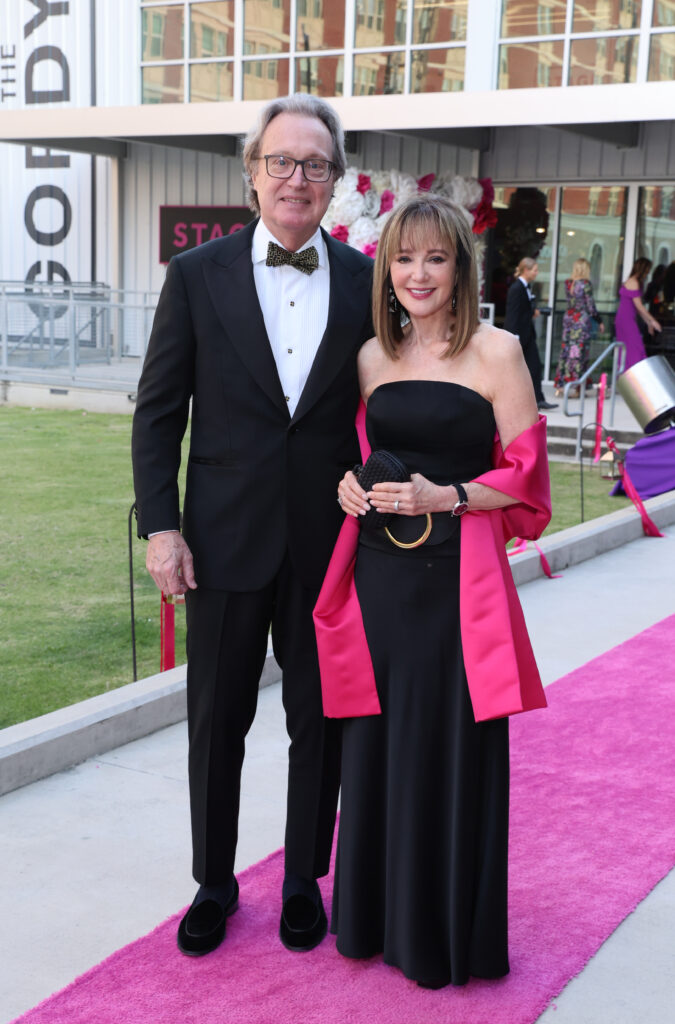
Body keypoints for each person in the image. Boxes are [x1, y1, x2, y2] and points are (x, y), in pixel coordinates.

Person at [131, 94, 374, 957]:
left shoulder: (364, 281)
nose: (296, 178)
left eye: (314, 163)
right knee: (216, 723)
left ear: (335, 181)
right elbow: (158, 413)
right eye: (281, 161)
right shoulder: (197, 276)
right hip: (222, 544)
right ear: (252, 173)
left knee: (320, 722)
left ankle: (306, 878)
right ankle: (212, 882)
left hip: (330, 545)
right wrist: (162, 528)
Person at [313, 195, 551, 988]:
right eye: (403, 259)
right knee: (376, 747)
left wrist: (443, 495)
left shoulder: (497, 352)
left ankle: (442, 932)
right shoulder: (370, 357)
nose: (418, 274)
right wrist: (352, 487)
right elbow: (368, 458)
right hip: (380, 583)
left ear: (459, 266)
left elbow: (524, 483)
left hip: (456, 586)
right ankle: (375, 918)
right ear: (386, 269)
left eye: (435, 259)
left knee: (444, 745)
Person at [504, 257, 557, 410]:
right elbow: (513, 314)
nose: (536, 273)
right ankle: (520, 400)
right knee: (518, 369)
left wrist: (533, 312)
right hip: (519, 335)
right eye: (535, 270)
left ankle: (538, 399)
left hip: (527, 334)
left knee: (534, 367)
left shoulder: (526, 287)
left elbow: (523, 311)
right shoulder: (517, 288)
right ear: (526, 270)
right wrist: (514, 337)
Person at [554, 257, 604, 396]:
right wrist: (599, 321)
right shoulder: (585, 284)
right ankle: (576, 387)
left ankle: (562, 385)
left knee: (566, 351)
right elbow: (590, 306)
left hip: (569, 319)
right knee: (579, 353)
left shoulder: (568, 283)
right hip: (580, 322)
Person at [615, 257, 661, 370]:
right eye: (647, 270)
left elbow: (638, 309)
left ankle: (627, 376)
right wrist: (653, 321)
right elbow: (640, 307)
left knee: (629, 349)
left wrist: (649, 323)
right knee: (635, 348)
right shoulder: (634, 282)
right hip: (626, 321)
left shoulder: (632, 281)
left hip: (625, 320)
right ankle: (633, 376)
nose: (648, 273)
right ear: (643, 269)